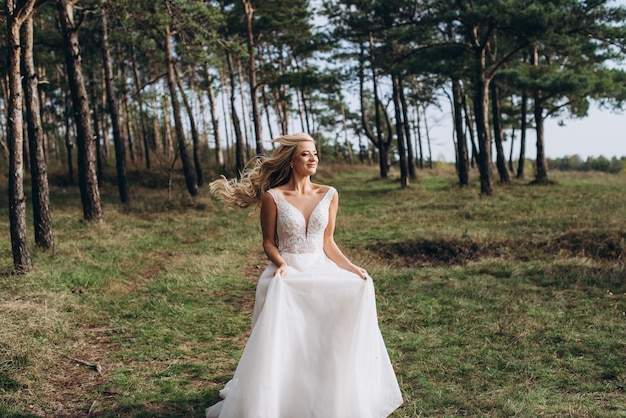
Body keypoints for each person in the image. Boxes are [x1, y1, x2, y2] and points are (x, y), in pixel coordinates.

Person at [206, 133, 402, 418]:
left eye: (315, 154)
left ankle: (331, 392)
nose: (314, 159)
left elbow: (328, 243)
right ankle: (284, 397)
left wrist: (351, 267)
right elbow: (269, 242)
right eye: (306, 154)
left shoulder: (329, 193)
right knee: (288, 321)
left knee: (355, 291)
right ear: (290, 161)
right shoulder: (273, 197)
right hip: (291, 269)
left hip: (321, 267)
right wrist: (280, 264)